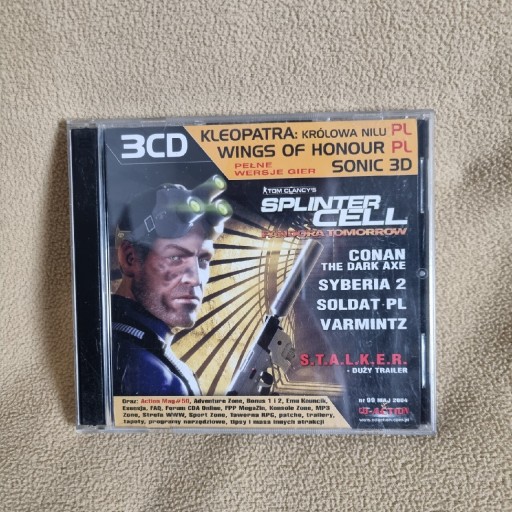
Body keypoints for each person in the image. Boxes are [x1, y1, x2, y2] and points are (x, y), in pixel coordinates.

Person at [111, 175, 231, 396]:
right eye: (175, 257)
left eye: (203, 260)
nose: (195, 279)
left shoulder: (135, 347)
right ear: (130, 259)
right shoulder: (151, 373)